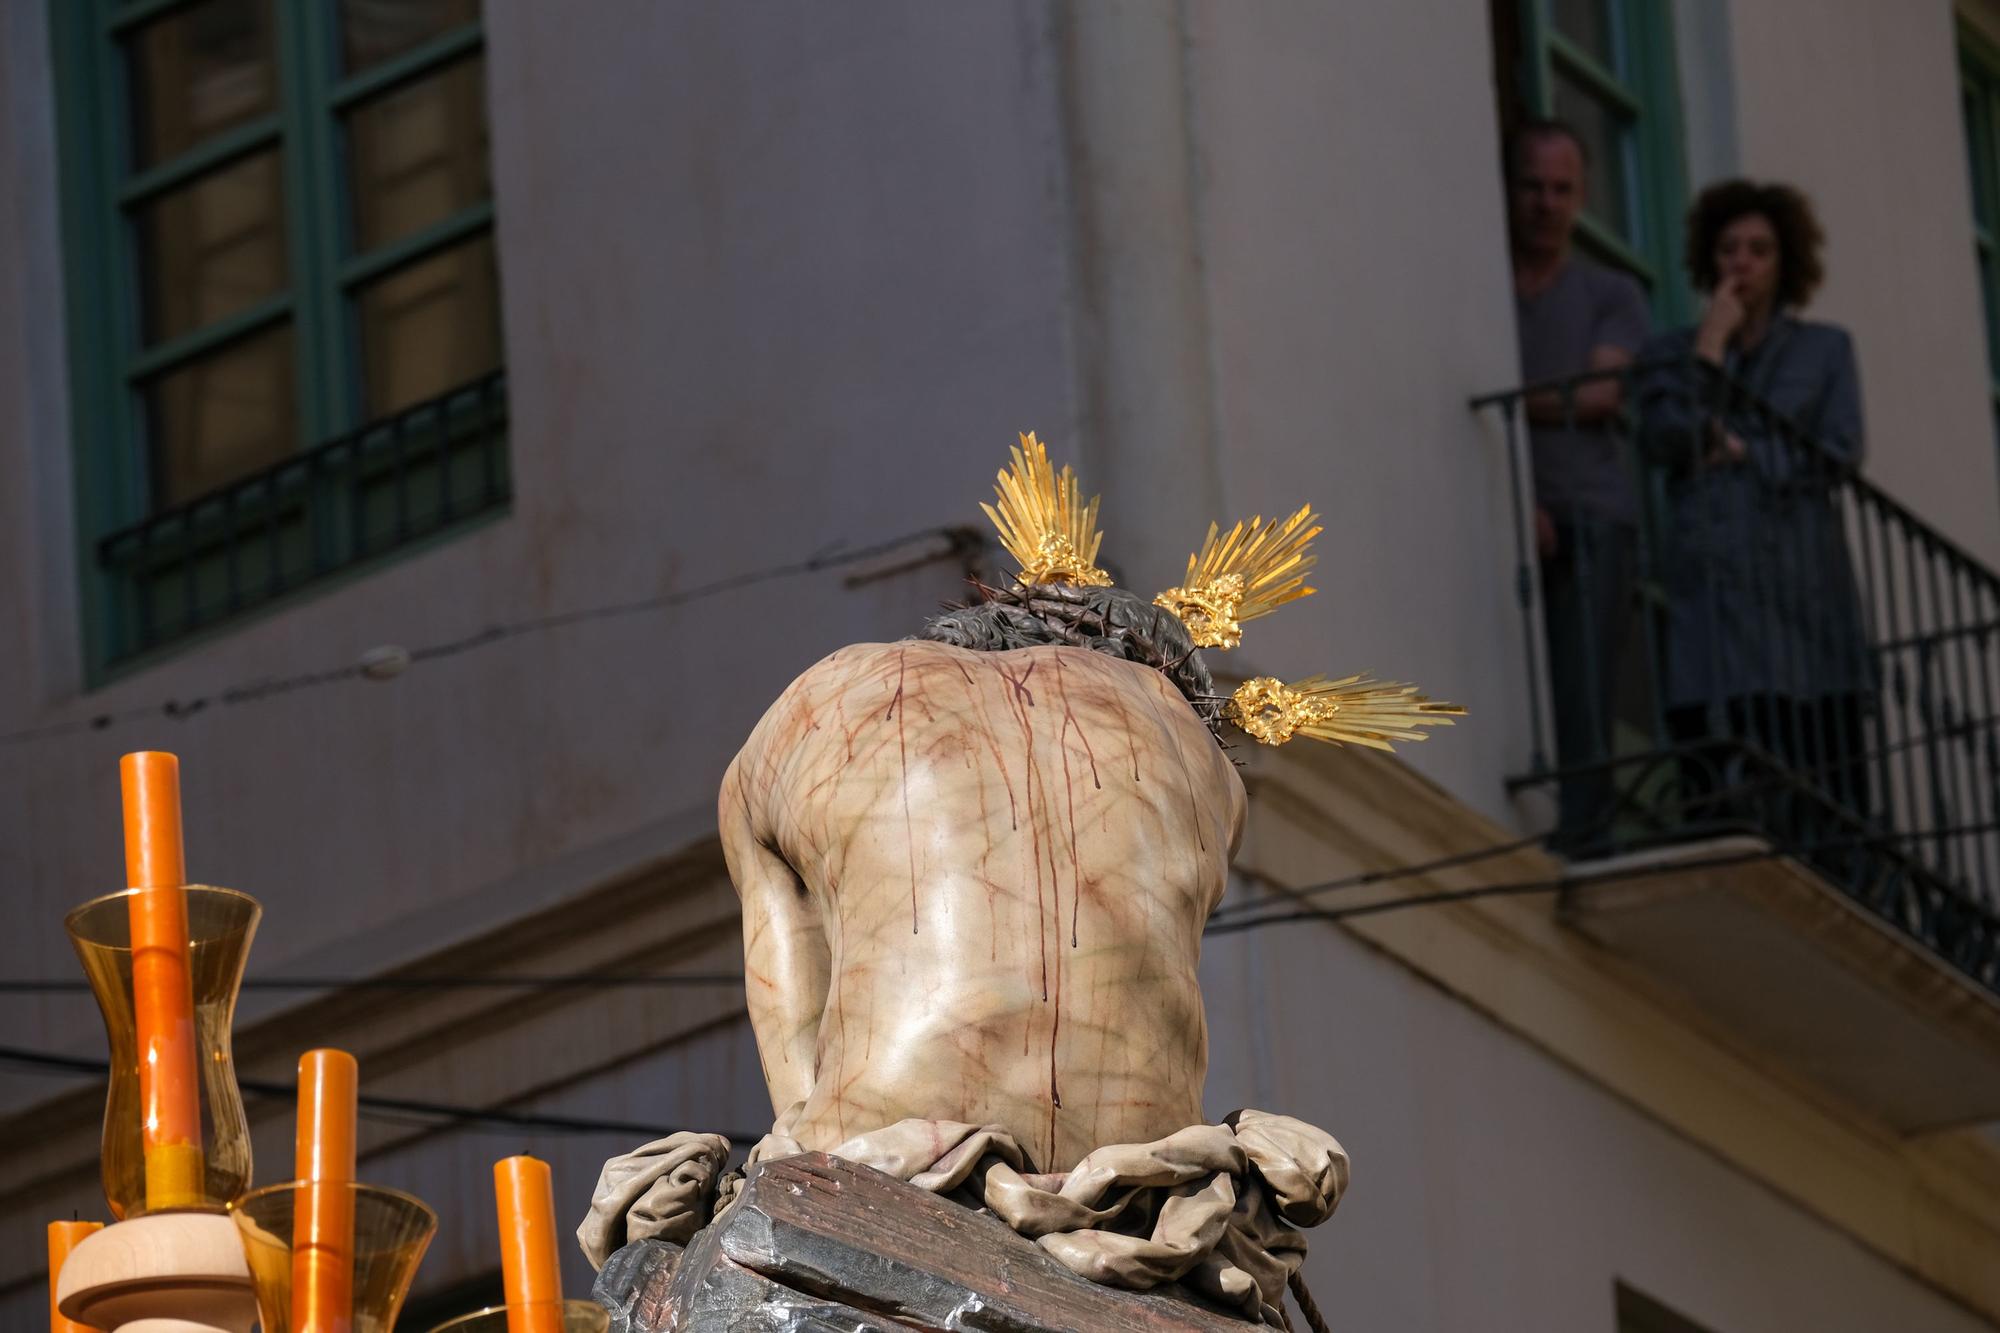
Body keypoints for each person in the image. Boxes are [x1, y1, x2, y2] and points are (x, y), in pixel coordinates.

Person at [1635, 180, 1872, 836]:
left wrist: (1746, 451)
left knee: (1819, 761)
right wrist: (1709, 350)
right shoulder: (1668, 354)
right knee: (1717, 752)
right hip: (1711, 584)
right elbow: (1665, 437)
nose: (1742, 262)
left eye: (1759, 250)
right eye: (1729, 248)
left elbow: (1841, 448)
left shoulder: (1825, 350)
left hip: (1801, 584)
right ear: (1709, 259)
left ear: (1785, 261)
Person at [1508, 119, 1652, 850]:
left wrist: (1515, 392)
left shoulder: (1609, 291)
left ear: (1583, 197)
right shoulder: (1489, 285)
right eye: (1533, 185)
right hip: (1527, 499)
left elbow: (1601, 396)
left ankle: (1590, 826)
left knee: (1587, 675)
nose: (1546, 202)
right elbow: (1577, 392)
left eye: (1562, 189)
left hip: (1596, 508)